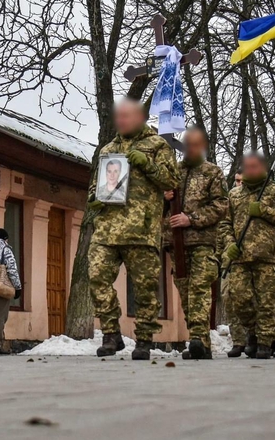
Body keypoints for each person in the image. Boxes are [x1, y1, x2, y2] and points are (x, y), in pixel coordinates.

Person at [87, 99, 179, 360]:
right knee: (96, 276)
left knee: (145, 287)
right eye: (120, 117)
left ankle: (144, 339)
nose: (122, 121)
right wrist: (94, 197)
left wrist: (147, 164)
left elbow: (173, 180)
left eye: (127, 116)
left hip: (142, 229)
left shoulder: (157, 145)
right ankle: (110, 333)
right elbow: (96, 184)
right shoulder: (109, 148)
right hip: (107, 228)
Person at [220, 152, 275, 360]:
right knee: (239, 298)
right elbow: (225, 224)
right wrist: (229, 244)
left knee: (266, 302)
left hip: (267, 257)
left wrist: (263, 210)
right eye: (248, 167)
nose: (251, 170)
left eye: (255, 167)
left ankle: (264, 342)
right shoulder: (234, 195)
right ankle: (252, 330)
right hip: (240, 257)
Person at [163, 127, 228, 360]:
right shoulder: (174, 172)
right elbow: (158, 207)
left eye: (195, 144)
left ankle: (198, 339)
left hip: (202, 242)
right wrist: (165, 198)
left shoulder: (212, 172)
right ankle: (202, 344)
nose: (190, 148)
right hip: (177, 245)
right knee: (186, 293)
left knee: (199, 289)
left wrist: (191, 219)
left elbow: (221, 205)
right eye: (187, 143)